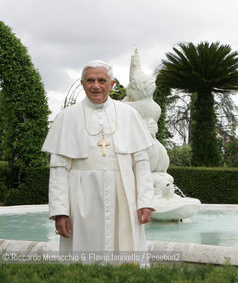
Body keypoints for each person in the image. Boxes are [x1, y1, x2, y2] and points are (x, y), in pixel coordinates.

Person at [42, 60, 155, 255]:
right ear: (82, 83)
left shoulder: (129, 114)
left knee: (125, 254)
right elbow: (59, 169)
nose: (96, 85)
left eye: (101, 80)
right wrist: (60, 211)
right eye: (90, 80)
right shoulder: (66, 117)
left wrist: (145, 201)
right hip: (81, 197)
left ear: (112, 85)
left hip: (123, 194)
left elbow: (141, 164)